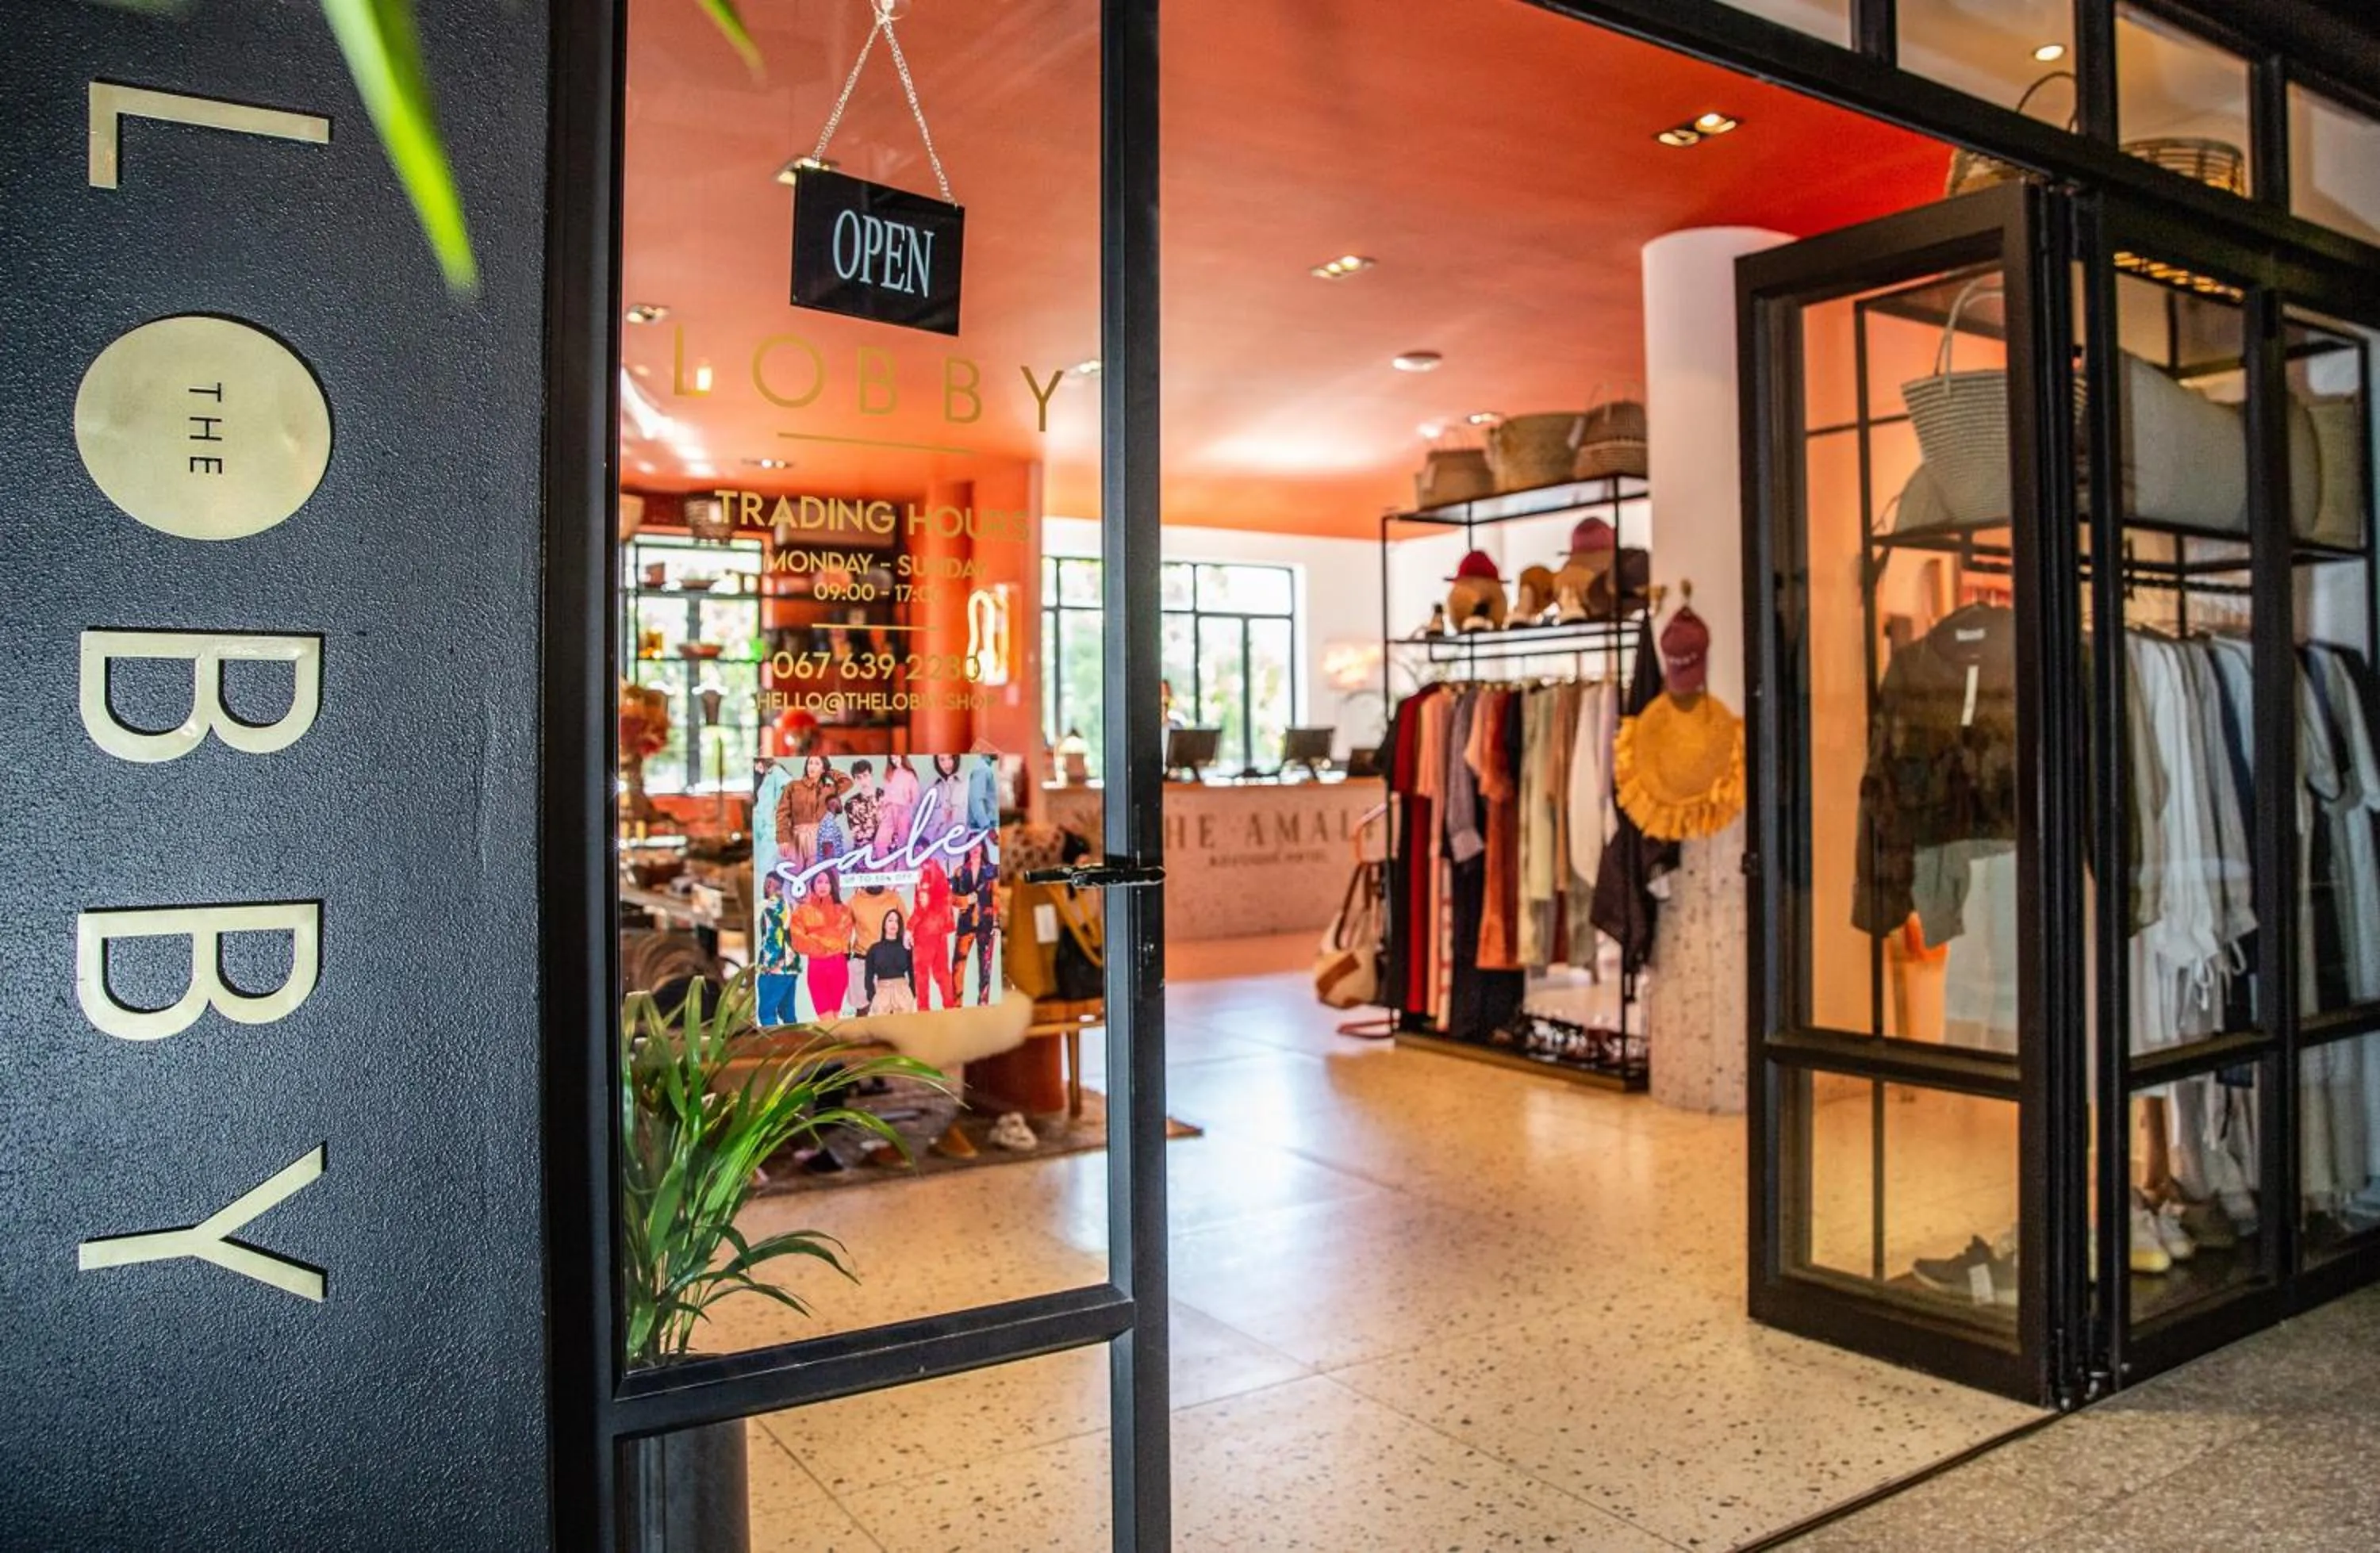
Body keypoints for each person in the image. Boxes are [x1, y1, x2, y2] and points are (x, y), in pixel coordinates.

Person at [786, 871, 857, 1021]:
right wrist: (826, 941)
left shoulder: (843, 910)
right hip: (816, 970)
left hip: (839, 968)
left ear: (832, 885)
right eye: (819, 882)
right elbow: (798, 941)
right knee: (827, 1020)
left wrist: (813, 936)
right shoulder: (802, 911)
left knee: (833, 1020)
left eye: (827, 882)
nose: (823, 886)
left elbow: (842, 941)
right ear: (812, 885)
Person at [771, 754, 846, 870]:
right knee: (795, 875)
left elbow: (847, 782)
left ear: (823, 769)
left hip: (819, 837)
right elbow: (782, 813)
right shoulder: (793, 786)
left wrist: (828, 772)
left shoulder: (828, 789)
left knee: (816, 874)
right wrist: (783, 839)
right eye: (810, 763)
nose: (812, 766)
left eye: (817, 764)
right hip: (795, 837)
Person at [949, 841, 1000, 1005]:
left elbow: (997, 897)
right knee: (958, 967)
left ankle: (983, 1004)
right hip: (965, 924)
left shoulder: (993, 870)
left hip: (986, 923)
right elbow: (951, 899)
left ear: (983, 848)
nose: (975, 849)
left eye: (978, 845)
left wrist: (997, 923)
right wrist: (965, 900)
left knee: (986, 967)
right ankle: (956, 1005)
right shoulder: (959, 872)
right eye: (971, 845)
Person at [908, 860, 958, 1011]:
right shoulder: (939, 872)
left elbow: (922, 907)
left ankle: (924, 1011)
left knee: (921, 974)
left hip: (926, 932)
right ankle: (950, 1007)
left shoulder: (926, 875)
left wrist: (910, 928)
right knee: (942, 973)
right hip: (940, 931)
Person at [753, 875, 800, 1026]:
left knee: (766, 1013)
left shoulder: (771, 906)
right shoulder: (790, 906)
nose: (769, 889)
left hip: (775, 966)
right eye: (767, 885)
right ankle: (795, 1045)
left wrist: (773, 964)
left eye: (775, 886)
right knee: (788, 1013)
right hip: (790, 966)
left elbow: (776, 935)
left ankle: (774, 1046)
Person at [862, 907, 917, 1014]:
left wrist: (912, 991)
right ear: (884, 925)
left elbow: (912, 971)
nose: (893, 924)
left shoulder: (906, 947)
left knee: (904, 1027)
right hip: (882, 991)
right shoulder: (874, 949)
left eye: (897, 921)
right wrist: (872, 994)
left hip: (903, 991)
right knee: (881, 1028)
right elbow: (868, 975)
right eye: (890, 920)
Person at [877, 753, 921, 858]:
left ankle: (902, 869)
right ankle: (886, 869)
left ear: (902, 756)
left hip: (903, 811)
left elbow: (916, 798)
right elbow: (886, 795)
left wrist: (911, 814)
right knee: (880, 842)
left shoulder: (910, 775)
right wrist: (882, 809)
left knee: (903, 844)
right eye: (891, 758)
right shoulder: (889, 774)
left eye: (896, 756)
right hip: (889, 810)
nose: (894, 760)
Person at [923, 753, 969, 849]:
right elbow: (927, 823)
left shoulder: (967, 784)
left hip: (960, 845)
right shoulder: (933, 788)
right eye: (942, 760)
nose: (946, 764)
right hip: (938, 847)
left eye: (950, 758)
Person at [842, 759, 881, 859]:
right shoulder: (851, 804)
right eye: (859, 778)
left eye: (865, 776)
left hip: (887, 849)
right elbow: (857, 834)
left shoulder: (885, 797)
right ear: (855, 780)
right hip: (864, 853)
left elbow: (893, 826)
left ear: (871, 775)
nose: (863, 781)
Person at [965, 752, 1000, 833]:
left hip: (985, 826)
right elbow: (975, 799)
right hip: (983, 828)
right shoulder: (982, 769)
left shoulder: (984, 768)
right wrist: (986, 826)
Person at [815, 792, 851, 864]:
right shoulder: (829, 822)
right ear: (833, 804)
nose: (841, 805)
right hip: (831, 867)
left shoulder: (830, 820)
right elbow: (827, 848)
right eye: (840, 802)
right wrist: (832, 870)